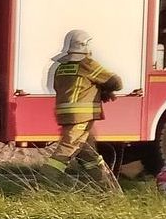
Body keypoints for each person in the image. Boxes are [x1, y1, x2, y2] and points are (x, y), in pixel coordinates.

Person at [46, 29, 123, 185]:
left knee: (89, 155)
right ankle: (44, 182)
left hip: (65, 114)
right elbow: (116, 82)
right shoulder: (87, 64)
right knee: (65, 150)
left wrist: (95, 90)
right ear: (85, 46)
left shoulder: (60, 67)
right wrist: (104, 91)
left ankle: (107, 189)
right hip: (81, 116)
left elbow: (66, 87)